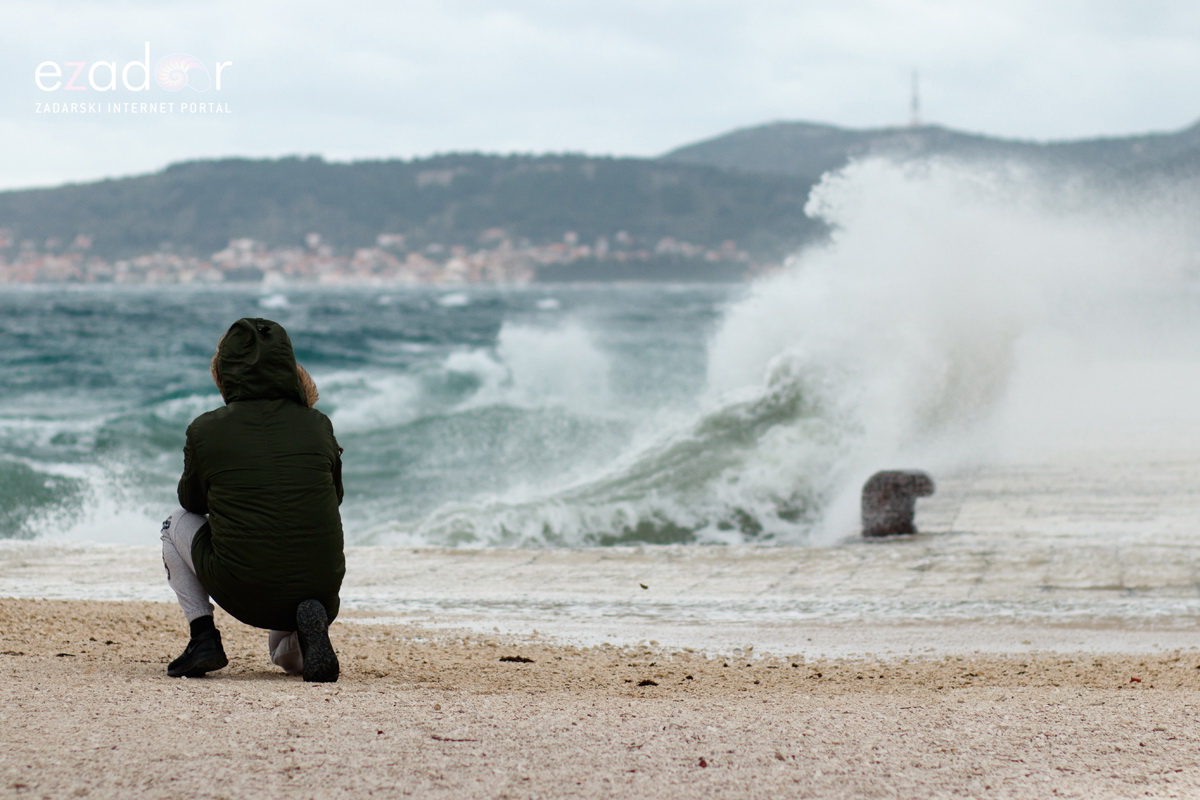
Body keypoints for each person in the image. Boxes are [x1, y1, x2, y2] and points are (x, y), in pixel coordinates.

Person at [159, 318, 346, 682]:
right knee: (287, 659)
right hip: (321, 588)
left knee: (172, 524)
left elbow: (191, 503)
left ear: (225, 372)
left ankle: (203, 639)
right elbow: (334, 497)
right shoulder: (319, 424)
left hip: (247, 591)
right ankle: (308, 634)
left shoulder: (206, 428)